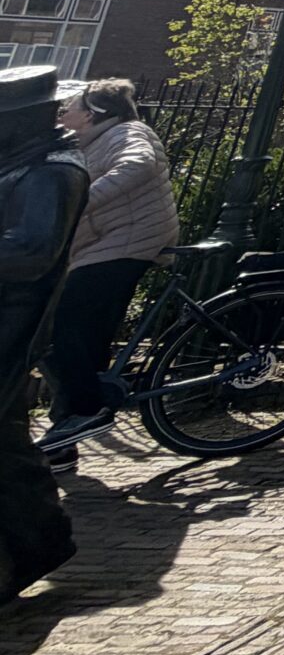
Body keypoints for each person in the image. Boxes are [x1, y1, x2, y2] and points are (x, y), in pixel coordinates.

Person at [42, 78, 178, 446]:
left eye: (68, 108)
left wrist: (82, 198)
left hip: (130, 240)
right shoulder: (87, 141)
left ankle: (87, 411)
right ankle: (66, 432)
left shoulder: (128, 132)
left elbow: (138, 164)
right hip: (103, 244)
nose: (61, 114)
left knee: (58, 321)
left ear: (91, 114)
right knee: (81, 337)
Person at [0, 66, 90, 597]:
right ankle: (40, 541)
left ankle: (40, 541)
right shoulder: (20, 162)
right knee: (5, 439)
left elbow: (33, 251)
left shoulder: (54, 172)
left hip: (12, 322)